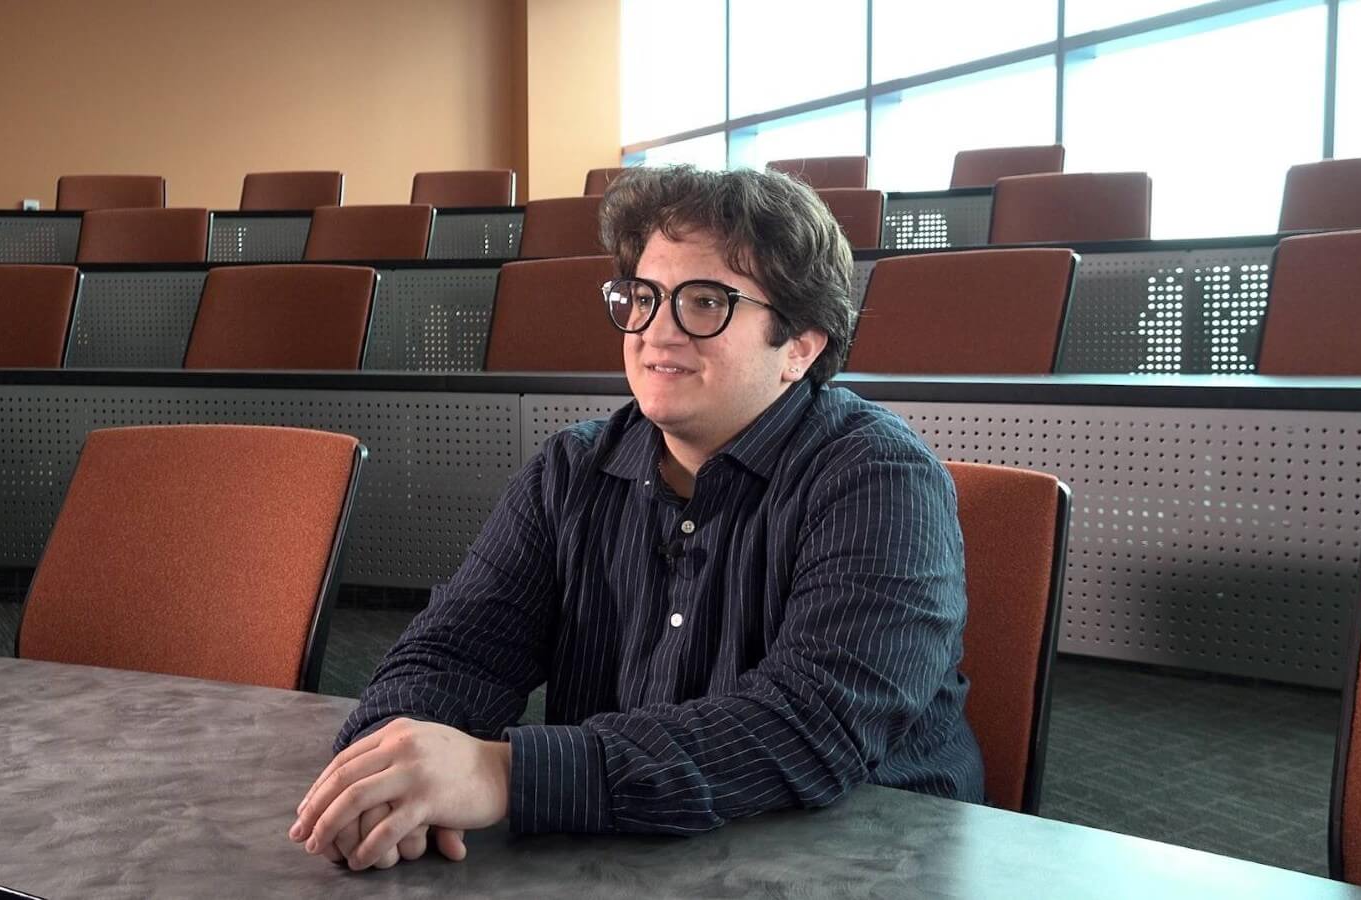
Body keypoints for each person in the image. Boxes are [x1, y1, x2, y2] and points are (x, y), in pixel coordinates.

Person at [288, 165, 983, 870]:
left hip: (851, 858)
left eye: (706, 302)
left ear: (799, 346)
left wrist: (507, 773)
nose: (657, 332)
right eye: (643, 297)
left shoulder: (880, 478)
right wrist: (389, 764)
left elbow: (808, 726)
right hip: (624, 853)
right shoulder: (570, 471)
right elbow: (454, 652)